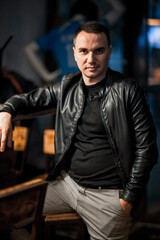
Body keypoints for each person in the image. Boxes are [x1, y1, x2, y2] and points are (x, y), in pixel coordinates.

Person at [0, 21, 158, 240]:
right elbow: (30, 99)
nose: (90, 59)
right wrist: (7, 110)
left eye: (98, 51)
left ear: (109, 52)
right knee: (6, 216)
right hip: (66, 186)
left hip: (109, 196)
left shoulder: (128, 90)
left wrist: (128, 198)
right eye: (83, 51)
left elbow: (147, 149)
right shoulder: (68, 85)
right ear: (74, 53)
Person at [23, 0, 125, 84]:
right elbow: (119, 9)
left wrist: (47, 76)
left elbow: (28, 49)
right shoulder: (96, 27)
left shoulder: (59, 32)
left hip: (67, 87)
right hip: (96, 84)